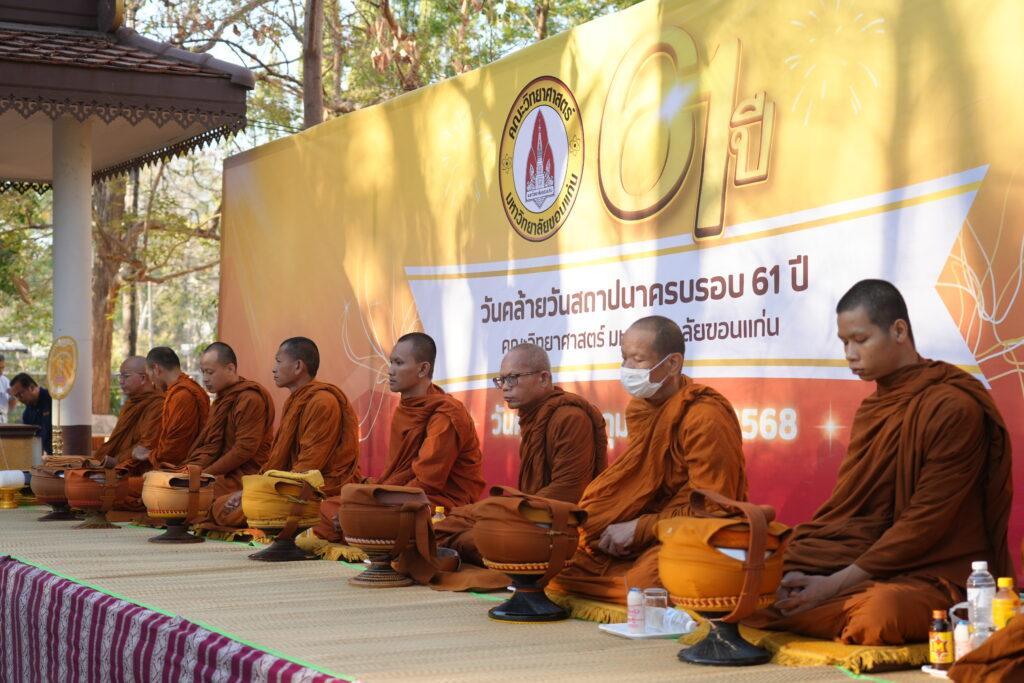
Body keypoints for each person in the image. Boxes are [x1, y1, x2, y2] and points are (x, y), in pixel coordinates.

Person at [744, 279, 1013, 645]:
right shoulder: (873, 408)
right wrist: (807, 568)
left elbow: (925, 522)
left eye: (860, 339)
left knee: (879, 615)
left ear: (899, 331)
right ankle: (805, 598)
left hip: (933, 567)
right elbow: (852, 515)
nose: (850, 354)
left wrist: (832, 585)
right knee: (751, 584)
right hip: (864, 553)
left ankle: (818, 603)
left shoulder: (953, 407)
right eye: (844, 342)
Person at [547, 315, 748, 604]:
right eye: (624, 358)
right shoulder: (640, 410)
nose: (627, 368)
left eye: (638, 360)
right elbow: (643, 487)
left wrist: (641, 529)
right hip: (645, 530)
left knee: (647, 582)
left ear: (673, 363)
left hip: (690, 533)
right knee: (562, 560)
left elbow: (715, 507)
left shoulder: (705, 416)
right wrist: (624, 524)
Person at [435, 342, 607, 565]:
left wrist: (508, 510)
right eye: (502, 380)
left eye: (513, 378)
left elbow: (568, 491)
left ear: (543, 378)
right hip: (530, 517)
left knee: (463, 533)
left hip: (556, 526)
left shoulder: (570, 418)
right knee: (451, 524)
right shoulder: (533, 418)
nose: (505, 387)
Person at [210, 337, 361, 527]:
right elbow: (279, 460)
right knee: (221, 505)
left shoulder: (322, 402)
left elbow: (308, 468)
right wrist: (254, 489)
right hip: (287, 483)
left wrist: (259, 490)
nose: (274, 369)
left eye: (279, 361)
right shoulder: (294, 401)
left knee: (233, 508)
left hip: (314, 489)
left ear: (298, 366)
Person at [374, 332, 485, 510]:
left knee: (355, 509)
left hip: (442, 503)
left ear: (423, 369)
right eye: (391, 362)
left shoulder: (446, 414)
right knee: (346, 501)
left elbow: (426, 481)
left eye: (399, 363)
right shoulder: (406, 409)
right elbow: (397, 474)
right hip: (406, 494)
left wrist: (379, 502)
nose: (390, 370)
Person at [185, 342, 275, 505]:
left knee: (183, 497)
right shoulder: (221, 400)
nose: (205, 378)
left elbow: (244, 449)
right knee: (167, 486)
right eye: (203, 372)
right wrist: (196, 471)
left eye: (210, 372)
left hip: (244, 476)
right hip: (220, 473)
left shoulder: (250, 399)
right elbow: (211, 444)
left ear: (230, 368)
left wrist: (206, 473)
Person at [139, 347, 210, 469]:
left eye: (149, 374)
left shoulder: (181, 396)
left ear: (156, 369)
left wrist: (148, 455)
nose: (152, 381)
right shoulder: (190, 388)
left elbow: (174, 450)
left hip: (184, 468)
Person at [93, 356, 164, 470]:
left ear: (143, 378)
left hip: (140, 470)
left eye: (126, 376)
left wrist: (117, 460)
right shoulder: (130, 404)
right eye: (120, 376)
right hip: (118, 465)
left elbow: (146, 447)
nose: (121, 381)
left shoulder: (157, 405)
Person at [8, 372, 52, 454]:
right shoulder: (27, 414)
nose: (19, 399)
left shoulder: (52, 400)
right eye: (16, 396)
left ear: (31, 388)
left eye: (20, 394)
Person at [0, 353, 14, 423]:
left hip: (3, 420)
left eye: (2, 368)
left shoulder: (5, 381)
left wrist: (13, 396)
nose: (1, 371)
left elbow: (11, 405)